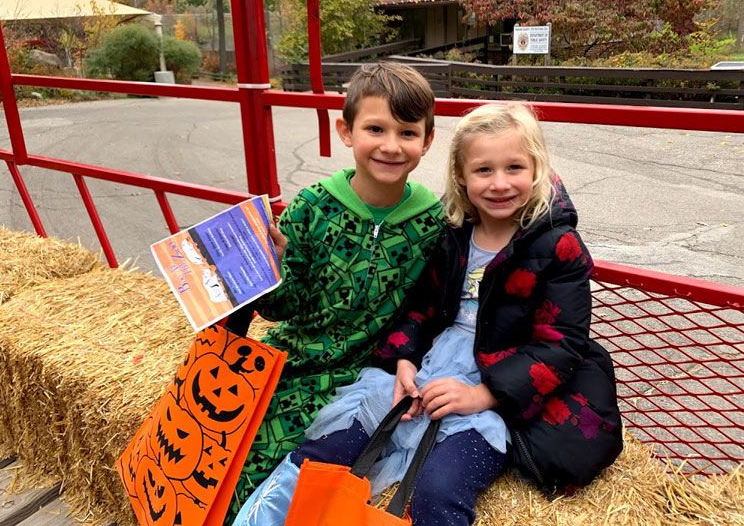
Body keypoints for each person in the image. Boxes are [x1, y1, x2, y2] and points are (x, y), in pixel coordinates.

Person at [233, 103, 623, 526]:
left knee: (440, 493)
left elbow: (561, 344)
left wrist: (483, 395)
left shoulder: (558, 246)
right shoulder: (454, 232)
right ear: (460, 175)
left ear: (537, 169)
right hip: (428, 370)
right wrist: (403, 360)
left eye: (514, 168)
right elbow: (420, 307)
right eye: (483, 171)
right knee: (324, 453)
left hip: (499, 388)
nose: (499, 184)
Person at [224, 62, 445, 522]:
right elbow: (284, 308)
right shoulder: (312, 206)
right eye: (375, 129)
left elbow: (431, 308)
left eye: (407, 133)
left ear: (427, 141)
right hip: (297, 357)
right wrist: (272, 269)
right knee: (228, 448)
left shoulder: (433, 224)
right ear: (346, 131)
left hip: (367, 372)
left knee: (282, 460)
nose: (390, 145)